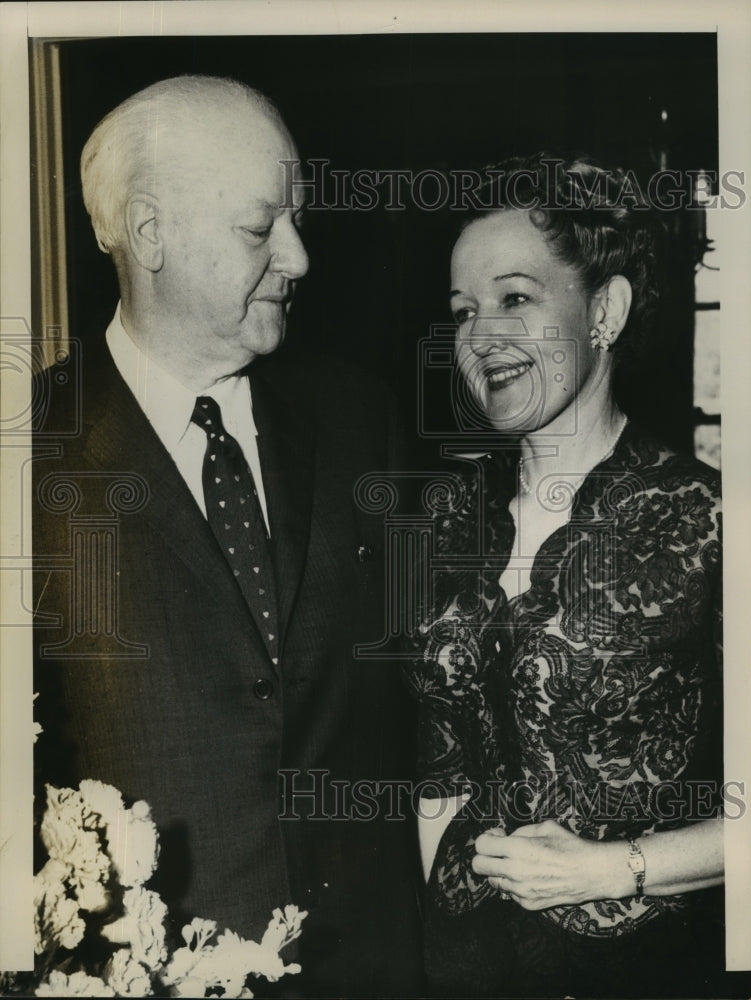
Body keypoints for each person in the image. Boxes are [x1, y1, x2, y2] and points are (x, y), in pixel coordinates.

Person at [33, 75, 422, 997]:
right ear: (151, 233)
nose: (298, 256)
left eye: (294, 220)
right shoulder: (28, 452)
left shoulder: (361, 420)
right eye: (260, 229)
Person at [405, 154, 737, 998]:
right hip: (459, 967)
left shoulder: (711, 519)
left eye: (516, 298)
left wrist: (615, 869)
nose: (482, 336)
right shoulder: (443, 519)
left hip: (651, 969)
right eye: (463, 311)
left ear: (606, 310)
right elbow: (431, 760)